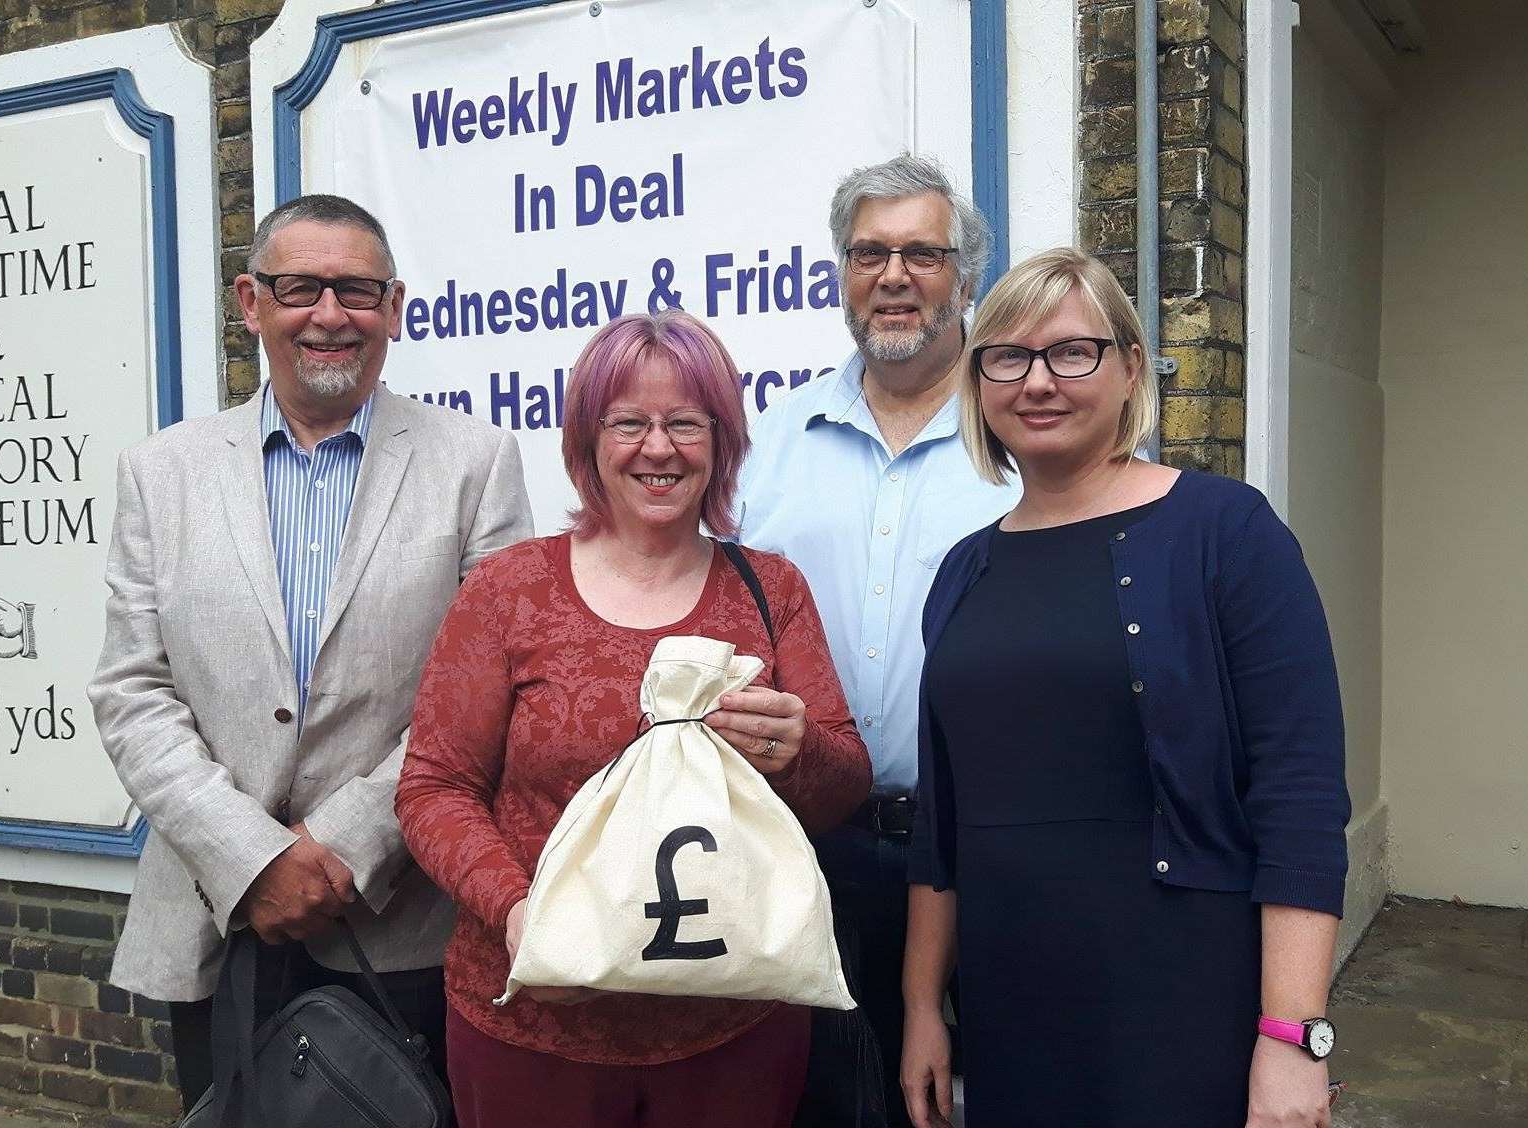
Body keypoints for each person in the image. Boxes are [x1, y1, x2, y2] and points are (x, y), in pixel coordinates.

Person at [87, 194, 532, 1112]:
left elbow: (491, 693)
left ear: (395, 307)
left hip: (402, 925)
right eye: (301, 289)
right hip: (223, 919)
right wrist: (253, 857)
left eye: (357, 291)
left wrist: (342, 846)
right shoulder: (161, 472)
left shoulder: (474, 461)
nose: (331, 315)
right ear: (251, 302)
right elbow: (134, 690)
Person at [899, 247, 1351, 1128]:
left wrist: (1293, 1037)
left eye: (1073, 351)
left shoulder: (1226, 531)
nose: (1038, 381)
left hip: (1183, 998)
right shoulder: (964, 569)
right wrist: (923, 1006)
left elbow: (1298, 797)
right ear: (979, 380)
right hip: (1011, 998)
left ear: (1131, 365)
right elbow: (939, 825)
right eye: (1008, 356)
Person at [395, 310, 872, 1128]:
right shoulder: (510, 592)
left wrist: (798, 754)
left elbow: (843, 786)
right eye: (630, 423)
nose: (660, 448)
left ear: (721, 442)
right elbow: (433, 787)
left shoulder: (771, 589)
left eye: (687, 423)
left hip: (731, 1029)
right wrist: (519, 913)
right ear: (587, 442)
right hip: (534, 1027)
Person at [735, 154, 1018, 1121]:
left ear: (967, 276)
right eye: (868, 254)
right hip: (812, 849)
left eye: (922, 254)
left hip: (989, 854)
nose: (893, 277)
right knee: (823, 1100)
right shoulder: (773, 440)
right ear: (841, 271)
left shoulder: (1026, 430)